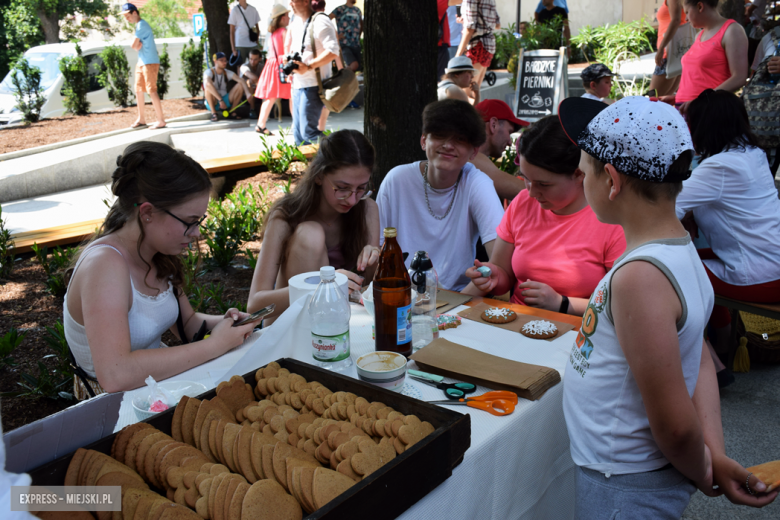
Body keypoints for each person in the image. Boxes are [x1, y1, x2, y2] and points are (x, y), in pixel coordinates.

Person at [558, 95, 779, 517]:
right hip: (628, 476)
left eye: (582, 169)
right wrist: (713, 453)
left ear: (611, 180)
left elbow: (675, 428)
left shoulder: (641, 277)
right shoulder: (681, 251)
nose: (579, 177)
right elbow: (695, 360)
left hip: (623, 485)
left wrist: (704, 471)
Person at [63, 141, 258, 397]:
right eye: (189, 221)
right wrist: (216, 346)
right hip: (116, 407)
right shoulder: (104, 266)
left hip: (154, 386)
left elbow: (186, 322)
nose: (197, 233)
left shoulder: (156, 253)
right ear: (147, 213)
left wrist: (228, 324)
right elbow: (115, 375)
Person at [463, 115, 625, 315]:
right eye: (526, 179)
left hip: (579, 333)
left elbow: (620, 303)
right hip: (518, 323)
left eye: (543, 184)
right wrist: (492, 276)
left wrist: (563, 303)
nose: (531, 192)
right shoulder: (523, 203)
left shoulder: (610, 219)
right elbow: (503, 273)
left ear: (579, 174)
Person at [677, 89, 780, 378]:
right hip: (770, 262)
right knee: (689, 260)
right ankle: (724, 343)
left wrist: (688, 212)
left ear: (703, 127)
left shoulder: (719, 166)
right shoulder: (752, 153)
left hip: (760, 275)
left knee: (674, 273)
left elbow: (666, 209)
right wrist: (693, 212)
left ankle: (711, 361)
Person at [247, 130, 380, 324]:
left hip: (340, 324)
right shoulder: (286, 216)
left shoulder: (366, 208)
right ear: (319, 176)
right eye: (342, 188)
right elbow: (255, 305)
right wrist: (322, 283)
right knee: (311, 233)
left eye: (361, 188)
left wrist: (375, 258)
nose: (352, 199)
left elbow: (370, 289)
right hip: (288, 329)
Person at [376, 99, 504, 291]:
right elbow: (377, 253)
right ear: (423, 140)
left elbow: (499, 263)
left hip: (457, 300)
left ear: (474, 152)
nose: (448, 145)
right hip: (400, 295)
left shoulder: (478, 184)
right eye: (439, 135)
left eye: (460, 139)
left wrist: (460, 303)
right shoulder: (396, 179)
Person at [668, 0, 748, 114]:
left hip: (709, 112)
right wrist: (676, 98)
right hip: (685, 109)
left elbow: (739, 77)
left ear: (700, 6)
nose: (685, 18)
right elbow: (697, 78)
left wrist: (702, 100)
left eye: (686, 12)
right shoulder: (699, 35)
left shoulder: (732, 30)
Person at [287, 0, 339, 145]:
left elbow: (333, 50)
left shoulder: (321, 20)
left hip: (314, 85)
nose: (290, 3)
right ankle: (310, 166)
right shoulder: (296, 22)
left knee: (309, 133)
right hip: (298, 84)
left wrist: (308, 66)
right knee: (298, 136)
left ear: (305, 1)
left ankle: (337, 155)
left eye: (293, 0)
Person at [472, 99, 528, 201]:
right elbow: (529, 193)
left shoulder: (469, 155)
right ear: (493, 124)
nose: (510, 142)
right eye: (509, 131)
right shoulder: (470, 156)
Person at [121, 3, 166, 130]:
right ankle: (141, 119)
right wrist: (137, 45)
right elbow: (136, 45)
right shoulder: (138, 26)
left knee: (151, 90)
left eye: (127, 16)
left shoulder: (142, 25)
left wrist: (136, 45)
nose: (126, 19)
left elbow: (133, 45)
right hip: (142, 62)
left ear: (134, 13)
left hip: (149, 62)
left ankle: (161, 120)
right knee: (139, 90)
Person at [255, 4, 293, 135]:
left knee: (270, 97)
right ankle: (297, 125)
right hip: (282, 66)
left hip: (271, 65)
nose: (289, 18)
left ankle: (261, 124)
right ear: (282, 18)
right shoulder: (284, 32)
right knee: (292, 95)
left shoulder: (272, 33)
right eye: (287, 16)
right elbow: (287, 51)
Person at [456, 0, 500, 99]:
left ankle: (473, 114)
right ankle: (476, 113)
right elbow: (497, 24)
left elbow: (470, 28)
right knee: (475, 92)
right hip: (488, 45)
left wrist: (457, 56)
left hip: (478, 45)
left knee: (467, 94)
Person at [203, 52, 255, 122]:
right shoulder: (209, 72)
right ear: (215, 61)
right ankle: (214, 113)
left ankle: (232, 111)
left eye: (225, 60)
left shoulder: (227, 72)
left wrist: (248, 93)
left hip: (225, 100)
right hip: (213, 101)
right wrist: (220, 100)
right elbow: (207, 83)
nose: (224, 62)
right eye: (221, 60)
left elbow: (241, 80)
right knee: (208, 86)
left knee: (240, 84)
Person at [649, 0, 687, 97]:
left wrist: (661, 48)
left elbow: (676, 20)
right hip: (677, 51)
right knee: (665, 100)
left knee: (653, 98)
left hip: (668, 52)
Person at [330, 0, 363, 72]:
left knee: (355, 69)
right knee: (354, 64)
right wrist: (336, 36)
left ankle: (346, 79)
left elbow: (361, 24)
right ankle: (342, 76)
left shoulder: (358, 10)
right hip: (344, 44)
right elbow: (327, 20)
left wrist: (358, 36)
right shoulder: (339, 9)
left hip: (356, 44)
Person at [228, 0, 262, 66]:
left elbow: (257, 28)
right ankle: (240, 77)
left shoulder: (253, 9)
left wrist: (257, 41)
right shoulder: (234, 10)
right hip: (240, 43)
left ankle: (256, 76)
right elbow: (231, 31)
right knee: (240, 65)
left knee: (257, 64)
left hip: (252, 43)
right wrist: (233, 49)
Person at [239, 48, 263, 118]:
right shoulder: (244, 66)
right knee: (250, 81)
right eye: (250, 59)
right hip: (247, 95)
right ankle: (252, 110)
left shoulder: (262, 66)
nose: (252, 61)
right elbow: (254, 78)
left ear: (260, 59)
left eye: (255, 59)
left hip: (259, 91)